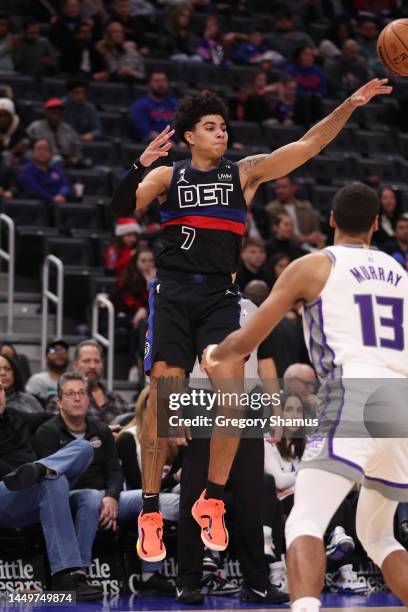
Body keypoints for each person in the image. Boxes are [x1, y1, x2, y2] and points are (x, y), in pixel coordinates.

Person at [110, 79, 392, 564]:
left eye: (224, 127)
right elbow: (119, 209)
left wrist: (350, 103)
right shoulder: (167, 178)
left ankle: (212, 501)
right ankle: (151, 510)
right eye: (211, 127)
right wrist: (139, 165)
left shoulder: (243, 174)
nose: (222, 134)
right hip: (174, 292)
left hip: (221, 293)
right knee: (165, 392)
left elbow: (307, 145)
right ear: (189, 135)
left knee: (233, 396)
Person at [201, 181, 408, 609]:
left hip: (354, 387)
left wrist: (214, 354)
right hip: (400, 399)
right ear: (376, 224)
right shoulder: (400, 274)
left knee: (305, 523)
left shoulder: (315, 265)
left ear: (330, 220)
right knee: (378, 535)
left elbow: (247, 339)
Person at [176, 297, 289, 605]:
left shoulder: (251, 307)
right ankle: (189, 580)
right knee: (194, 495)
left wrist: (276, 409)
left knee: (251, 498)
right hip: (202, 401)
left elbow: (264, 360)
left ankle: (256, 583)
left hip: (246, 407)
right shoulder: (190, 301)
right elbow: (172, 359)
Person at [34, 371, 175, 597]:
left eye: (82, 393)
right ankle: (76, 574)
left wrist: (110, 496)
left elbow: (115, 471)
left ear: (89, 398)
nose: (78, 398)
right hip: (68, 498)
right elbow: (51, 481)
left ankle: (150, 573)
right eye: (71, 394)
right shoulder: (46, 433)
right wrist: (102, 497)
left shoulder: (101, 430)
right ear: (59, 401)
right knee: (89, 497)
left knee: (148, 498)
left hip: (105, 496)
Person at [0, 380, 103, 600]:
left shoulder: (17, 417)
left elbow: (60, 417)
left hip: (34, 491)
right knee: (53, 479)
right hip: (4, 496)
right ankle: (67, 574)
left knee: (83, 457)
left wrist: (100, 428)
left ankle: (75, 574)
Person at [46, 340, 130, 427]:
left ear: (102, 365)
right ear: (75, 365)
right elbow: (55, 435)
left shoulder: (117, 400)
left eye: (97, 361)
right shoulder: (62, 400)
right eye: (86, 361)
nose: (92, 366)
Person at [265, 175, 324, 247]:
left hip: (311, 248)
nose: (279, 191)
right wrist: (306, 239)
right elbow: (276, 234)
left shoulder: (306, 206)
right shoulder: (271, 209)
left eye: (283, 187)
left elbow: (317, 232)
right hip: (286, 247)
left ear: (294, 188)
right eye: (277, 187)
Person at [27, 99, 82, 168]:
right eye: (53, 112)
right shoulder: (35, 127)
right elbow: (27, 147)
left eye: (59, 113)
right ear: (46, 113)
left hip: (66, 162)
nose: (56, 115)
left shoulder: (68, 129)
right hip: (42, 161)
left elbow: (77, 148)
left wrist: (76, 158)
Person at [19, 138, 71, 203]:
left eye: (45, 149)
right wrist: (52, 198)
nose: (42, 152)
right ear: (33, 153)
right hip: (38, 205)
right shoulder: (26, 171)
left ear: (51, 154)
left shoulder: (56, 169)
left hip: (58, 203)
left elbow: (65, 185)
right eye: (38, 149)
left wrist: (62, 195)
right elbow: (35, 190)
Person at [131, 72, 178, 142]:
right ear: (148, 84)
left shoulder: (175, 104)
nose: (160, 84)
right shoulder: (140, 105)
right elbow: (145, 131)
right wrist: (166, 142)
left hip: (176, 145)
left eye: (163, 81)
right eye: (156, 81)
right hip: (150, 145)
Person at [26, 339, 70, 404]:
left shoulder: (76, 381)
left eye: (63, 350)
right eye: (53, 350)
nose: (59, 353)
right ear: (46, 358)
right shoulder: (37, 380)